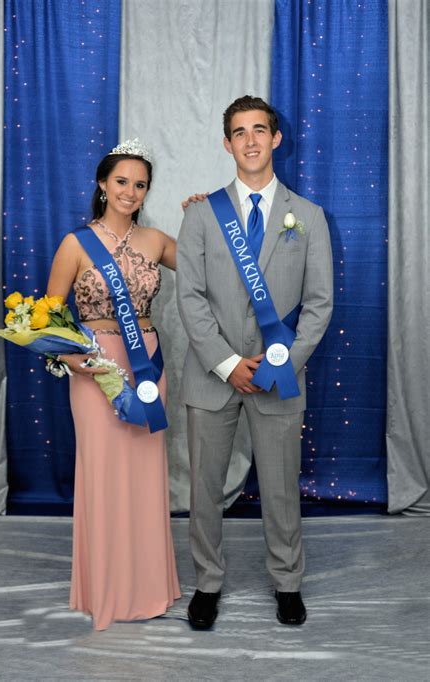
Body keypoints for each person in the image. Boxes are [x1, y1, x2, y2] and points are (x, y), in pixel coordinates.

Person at [176, 96, 333, 628]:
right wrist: (226, 362)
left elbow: (319, 304)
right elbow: (191, 297)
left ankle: (287, 582)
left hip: (278, 376)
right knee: (205, 488)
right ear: (226, 143)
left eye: (259, 130)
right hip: (212, 375)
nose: (250, 141)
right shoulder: (200, 213)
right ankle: (207, 582)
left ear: (276, 138)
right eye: (239, 132)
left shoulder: (308, 216)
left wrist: (275, 365)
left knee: (282, 486)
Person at [47, 139, 180, 630]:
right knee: (103, 477)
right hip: (96, 370)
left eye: (140, 184)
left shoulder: (158, 241)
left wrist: (205, 215)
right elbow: (48, 317)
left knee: (145, 478)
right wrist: (71, 358)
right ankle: (104, 589)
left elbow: (210, 270)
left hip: (147, 367)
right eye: (121, 181)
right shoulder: (75, 243)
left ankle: (148, 588)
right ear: (103, 184)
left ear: (146, 192)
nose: (130, 191)